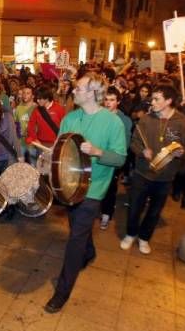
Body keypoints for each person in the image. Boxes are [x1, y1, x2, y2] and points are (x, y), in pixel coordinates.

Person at [45, 73, 127, 314]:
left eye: (79, 88)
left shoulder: (113, 123)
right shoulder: (70, 118)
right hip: (70, 186)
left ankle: (62, 291)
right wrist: (48, 160)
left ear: (92, 93)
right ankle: (89, 252)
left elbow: (120, 158)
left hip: (94, 189)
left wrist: (98, 151)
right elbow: (60, 151)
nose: (74, 91)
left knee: (75, 239)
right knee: (77, 228)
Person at [121, 84, 185, 255]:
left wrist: (182, 151)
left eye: (156, 99)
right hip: (142, 173)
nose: (151, 102)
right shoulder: (146, 120)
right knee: (134, 207)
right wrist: (142, 151)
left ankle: (144, 238)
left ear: (168, 101)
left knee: (154, 210)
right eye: (152, 98)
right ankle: (130, 234)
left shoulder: (181, 122)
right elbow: (134, 143)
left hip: (165, 176)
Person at [99, 87, 132, 229]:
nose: (108, 103)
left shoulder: (124, 120)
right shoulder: (98, 116)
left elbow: (125, 145)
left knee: (110, 188)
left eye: (112, 100)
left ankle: (106, 214)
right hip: (97, 157)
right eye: (106, 99)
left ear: (118, 101)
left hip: (112, 160)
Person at [26, 86, 65, 162]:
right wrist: (35, 139)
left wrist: (59, 142)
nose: (37, 101)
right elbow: (30, 126)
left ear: (47, 98)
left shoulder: (59, 109)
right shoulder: (36, 110)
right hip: (41, 145)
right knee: (42, 169)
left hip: (56, 145)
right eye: (37, 98)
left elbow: (65, 127)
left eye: (40, 99)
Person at [13, 85, 37, 162]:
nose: (25, 95)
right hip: (21, 143)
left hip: (33, 144)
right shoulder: (18, 108)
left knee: (32, 167)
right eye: (24, 93)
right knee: (21, 168)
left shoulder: (37, 108)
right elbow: (15, 124)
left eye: (28, 93)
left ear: (33, 96)